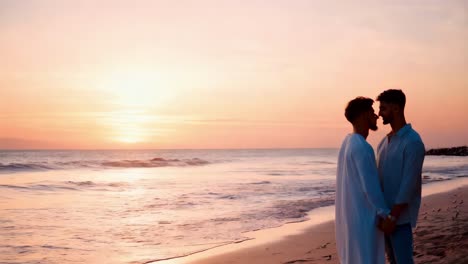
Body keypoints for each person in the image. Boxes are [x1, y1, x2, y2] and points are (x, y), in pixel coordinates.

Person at [335, 96, 394, 264]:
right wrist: (386, 215)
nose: (376, 116)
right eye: (372, 112)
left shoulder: (347, 143)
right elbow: (371, 187)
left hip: (351, 219)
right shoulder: (361, 147)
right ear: (362, 115)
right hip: (364, 220)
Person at [376, 89, 425, 264]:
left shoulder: (413, 142)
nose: (379, 113)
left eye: (383, 108)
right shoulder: (383, 142)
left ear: (396, 108)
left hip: (400, 220)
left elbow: (408, 186)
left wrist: (393, 218)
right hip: (384, 218)